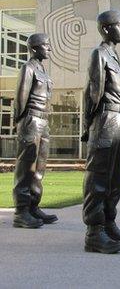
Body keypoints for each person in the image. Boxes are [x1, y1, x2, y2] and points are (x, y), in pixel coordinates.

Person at [82, 9, 120, 254]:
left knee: (116, 177)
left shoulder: (114, 56)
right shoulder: (99, 54)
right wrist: (88, 126)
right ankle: (94, 232)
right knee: (100, 177)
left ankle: (108, 223)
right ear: (106, 29)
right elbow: (93, 93)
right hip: (105, 118)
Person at [13, 33, 58, 228]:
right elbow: (20, 98)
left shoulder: (43, 71)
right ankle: (21, 211)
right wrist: (21, 123)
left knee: (39, 168)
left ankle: (33, 206)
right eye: (45, 45)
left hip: (43, 120)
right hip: (30, 120)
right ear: (34, 48)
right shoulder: (28, 68)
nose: (49, 48)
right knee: (26, 168)